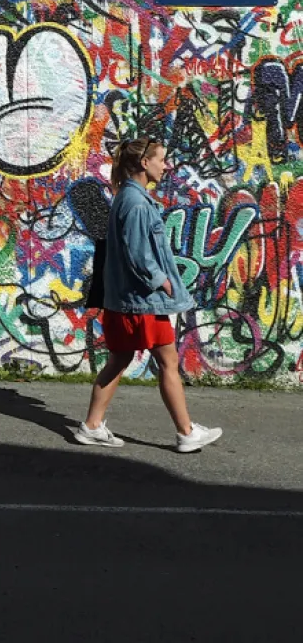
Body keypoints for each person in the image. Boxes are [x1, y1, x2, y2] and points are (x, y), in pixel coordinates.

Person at [75, 138, 222, 453]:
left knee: (119, 359)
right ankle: (185, 433)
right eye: (162, 160)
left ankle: (91, 425)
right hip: (142, 301)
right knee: (168, 361)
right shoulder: (138, 204)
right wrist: (163, 282)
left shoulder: (126, 198)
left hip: (125, 300)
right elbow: (139, 255)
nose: (166, 165)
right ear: (144, 163)